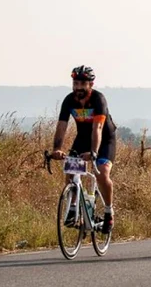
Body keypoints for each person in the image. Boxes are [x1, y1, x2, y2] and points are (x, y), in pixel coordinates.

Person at [52, 65, 117, 234]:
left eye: (82, 84)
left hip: (104, 140)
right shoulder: (69, 100)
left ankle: (109, 212)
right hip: (82, 139)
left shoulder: (98, 99)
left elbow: (98, 128)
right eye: (75, 83)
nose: (78, 87)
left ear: (91, 84)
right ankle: (73, 208)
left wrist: (94, 152)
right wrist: (57, 149)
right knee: (71, 171)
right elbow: (61, 126)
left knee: (102, 173)